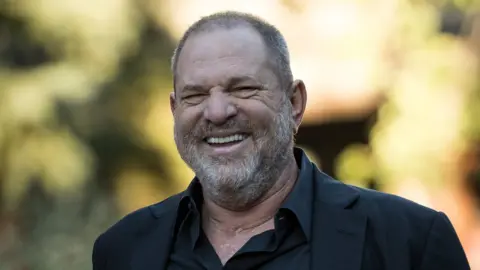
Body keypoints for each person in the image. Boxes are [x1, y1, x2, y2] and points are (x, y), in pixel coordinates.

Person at [92, 11, 470, 270]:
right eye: (195, 95)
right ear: (175, 110)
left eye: (243, 88)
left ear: (294, 104)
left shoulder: (407, 242)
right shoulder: (123, 249)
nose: (218, 111)